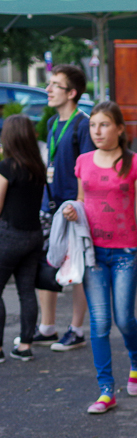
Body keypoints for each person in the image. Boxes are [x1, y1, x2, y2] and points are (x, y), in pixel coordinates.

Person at [64, 101, 137, 415]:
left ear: (119, 128)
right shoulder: (83, 162)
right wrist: (73, 210)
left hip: (126, 252)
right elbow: (81, 199)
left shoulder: (135, 162)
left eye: (104, 125)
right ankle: (106, 390)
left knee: (124, 319)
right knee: (100, 323)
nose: (97, 131)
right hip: (93, 253)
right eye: (93, 125)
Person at [33, 64, 95, 352]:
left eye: (55, 85)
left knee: (77, 268)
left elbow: (87, 170)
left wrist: (79, 206)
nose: (48, 90)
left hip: (73, 209)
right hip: (50, 205)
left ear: (71, 93)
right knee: (47, 263)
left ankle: (76, 329)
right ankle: (47, 327)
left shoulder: (83, 125)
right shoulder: (51, 123)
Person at [0, 115, 47, 362]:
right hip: (33, 236)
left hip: (9, 236)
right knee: (27, 291)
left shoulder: (7, 167)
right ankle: (25, 345)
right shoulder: (37, 167)